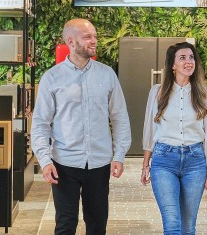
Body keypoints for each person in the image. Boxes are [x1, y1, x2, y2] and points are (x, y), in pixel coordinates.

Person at [30, 18, 132, 235]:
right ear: (71, 41)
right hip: (63, 163)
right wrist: (45, 160)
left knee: (97, 224)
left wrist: (119, 155)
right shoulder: (52, 78)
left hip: (99, 163)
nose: (94, 41)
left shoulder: (107, 75)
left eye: (95, 36)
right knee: (65, 225)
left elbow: (120, 118)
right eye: (88, 37)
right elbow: (40, 124)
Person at [139, 42, 207, 235]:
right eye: (182, 58)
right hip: (164, 161)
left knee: (188, 226)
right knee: (172, 223)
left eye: (191, 57)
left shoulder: (205, 94)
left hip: (195, 162)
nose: (188, 62)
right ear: (173, 65)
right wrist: (145, 164)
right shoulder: (157, 92)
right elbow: (150, 130)